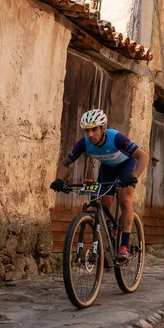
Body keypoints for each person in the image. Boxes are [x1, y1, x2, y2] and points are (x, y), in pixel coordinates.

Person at [50, 109, 149, 260]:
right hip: (107, 167)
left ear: (103, 128)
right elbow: (65, 163)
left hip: (126, 165)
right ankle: (110, 228)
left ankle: (124, 245)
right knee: (105, 201)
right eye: (87, 130)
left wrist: (134, 176)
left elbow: (143, 156)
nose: (90, 135)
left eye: (94, 129)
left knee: (125, 199)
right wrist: (59, 180)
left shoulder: (115, 138)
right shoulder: (84, 143)